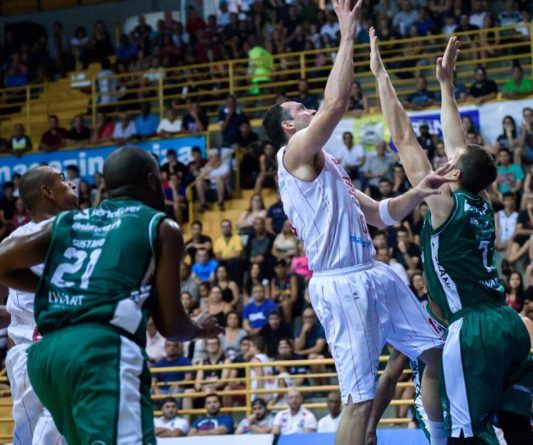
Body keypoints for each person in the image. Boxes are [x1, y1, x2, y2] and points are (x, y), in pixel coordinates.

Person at [262, 8, 447, 444]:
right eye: (300, 109)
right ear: (289, 126)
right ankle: (362, 431)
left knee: (435, 352)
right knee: (358, 398)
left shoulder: (329, 166)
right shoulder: (293, 156)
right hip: (340, 282)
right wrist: (347, 35)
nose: (308, 109)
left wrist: (419, 191)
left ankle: (437, 437)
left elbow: (382, 214)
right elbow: (335, 104)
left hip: (373, 272)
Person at [370, 34, 533, 444]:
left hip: (472, 327)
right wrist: (446, 85)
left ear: (455, 174)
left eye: (451, 162)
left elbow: (405, 138)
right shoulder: (482, 200)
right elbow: (458, 144)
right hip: (508, 322)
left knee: (467, 435)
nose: (447, 158)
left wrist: (379, 75)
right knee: (517, 427)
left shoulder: (444, 205)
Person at [0, 147, 221, 444]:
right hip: (100, 351)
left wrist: (51, 289)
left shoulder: (73, 221)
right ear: (152, 181)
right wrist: (199, 328)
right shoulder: (159, 226)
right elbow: (172, 326)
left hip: (46, 358)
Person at [0, 166, 79, 445]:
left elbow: (14, 305)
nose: (72, 184)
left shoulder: (79, 230)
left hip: (53, 348)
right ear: (47, 192)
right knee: (43, 435)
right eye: (62, 180)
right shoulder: (24, 239)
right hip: (40, 348)